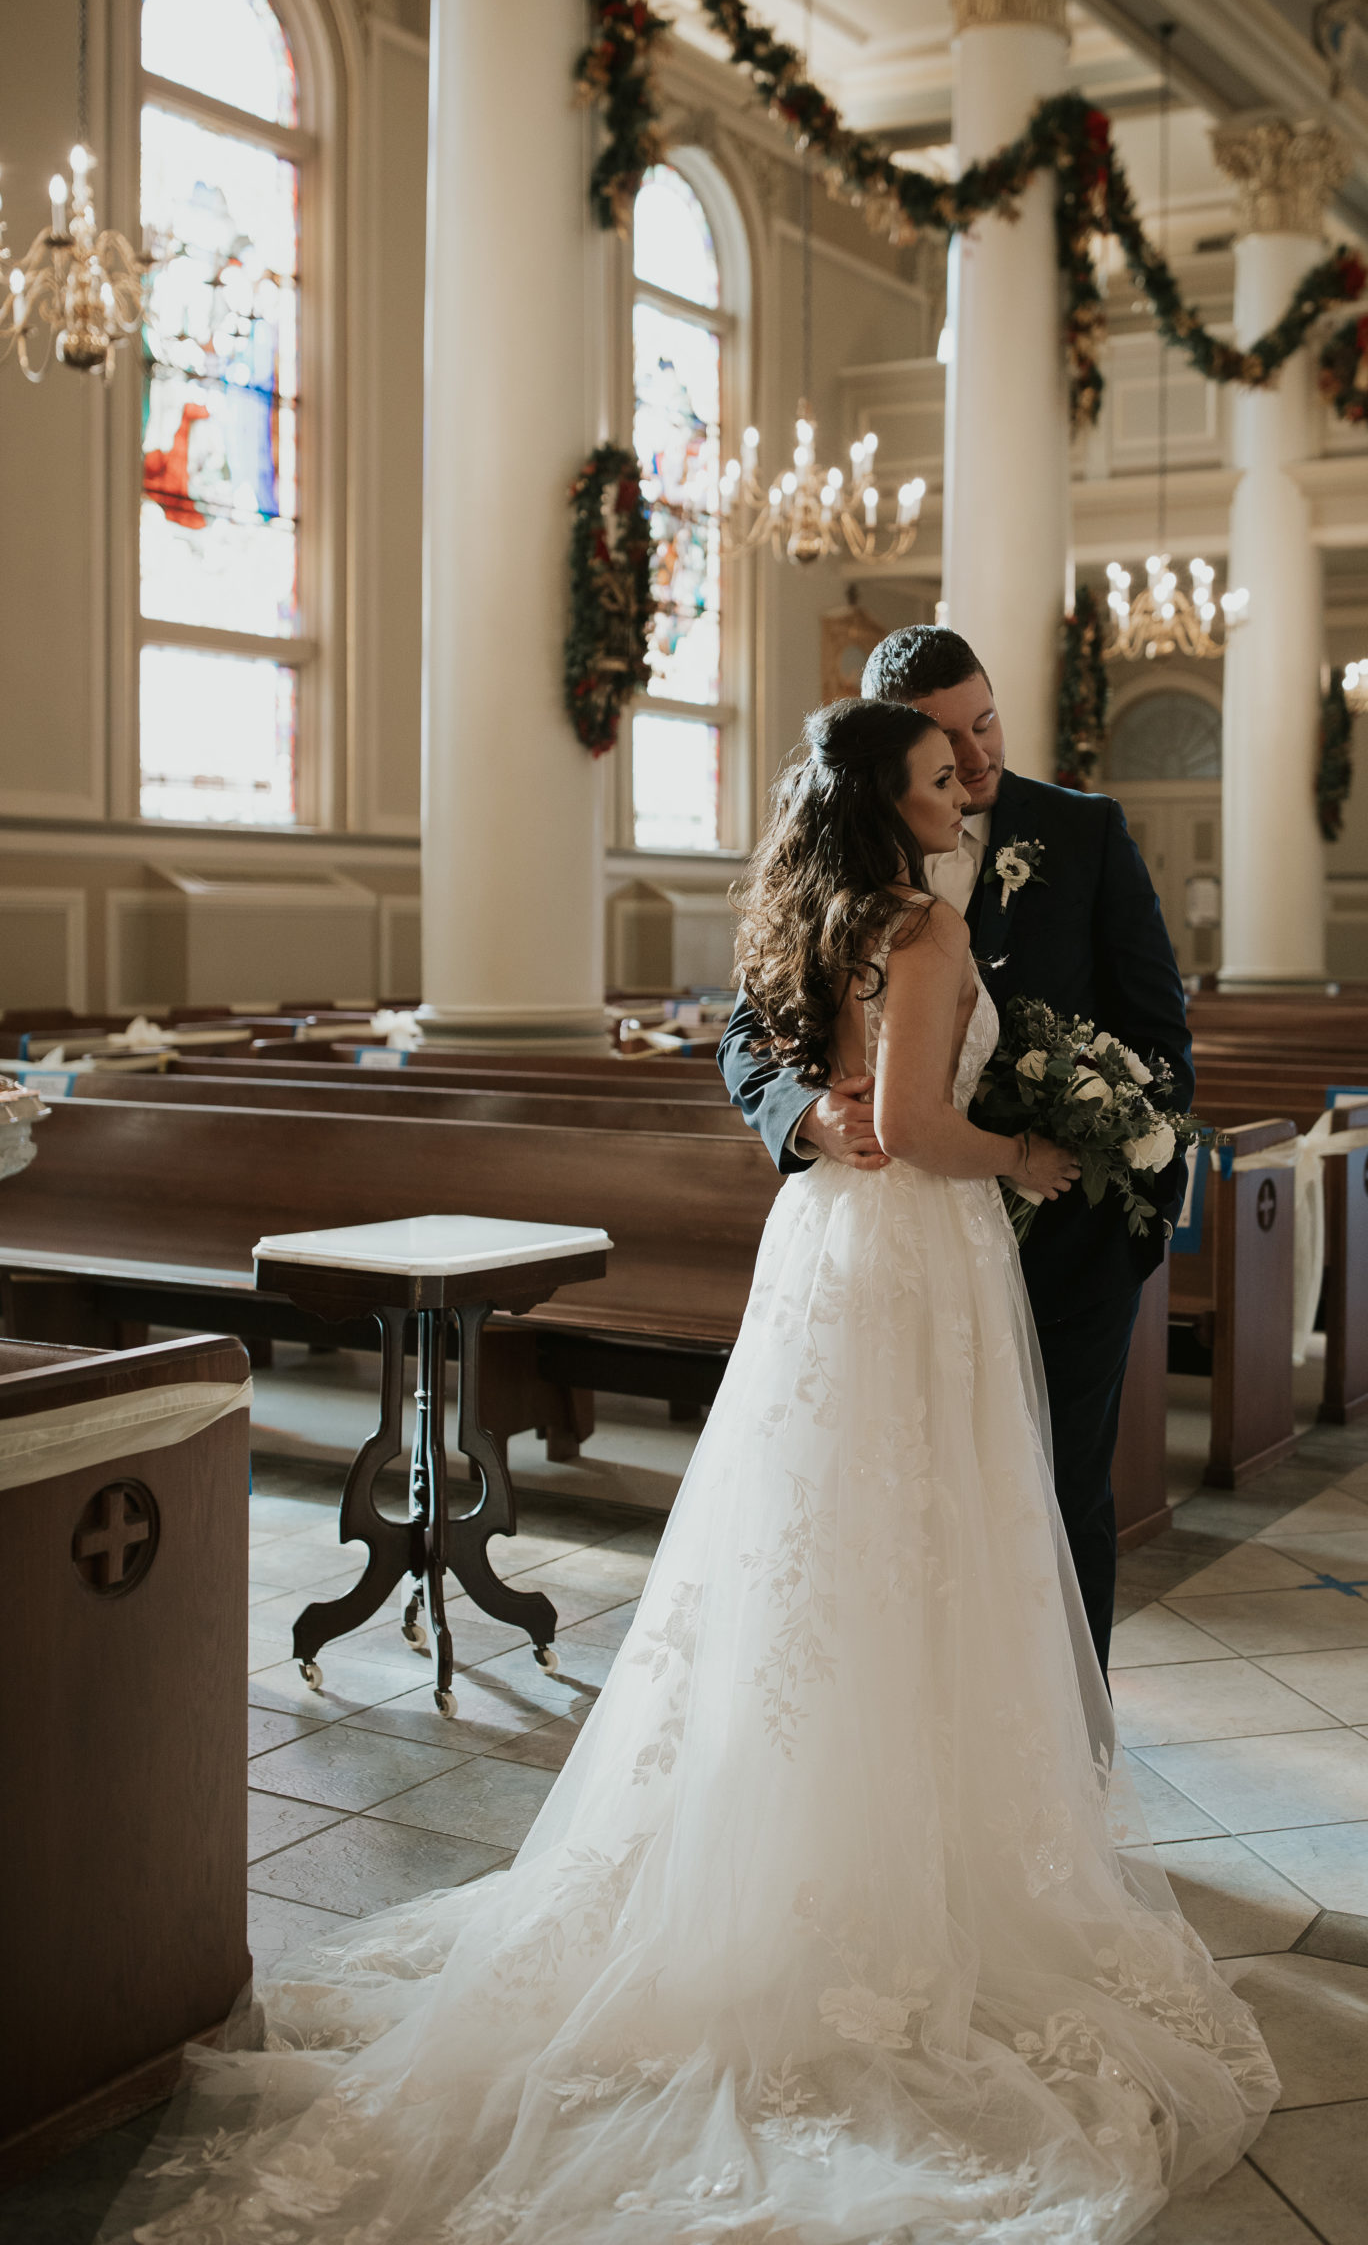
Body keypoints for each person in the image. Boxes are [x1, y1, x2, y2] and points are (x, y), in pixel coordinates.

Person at [114, 697, 1274, 2245]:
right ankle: (906, 1851)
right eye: (939, 772)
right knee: (914, 1530)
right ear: (889, 796)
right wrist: (1028, 1157)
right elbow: (918, 1125)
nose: (962, 786)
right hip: (911, 1246)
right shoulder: (920, 935)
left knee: (831, 1540)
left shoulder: (816, 917)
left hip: (823, 1259)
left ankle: (815, 1824)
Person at [720, 625, 1191, 1674]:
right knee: (890, 1502)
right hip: (903, 1238)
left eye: (987, 723)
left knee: (1055, 1498)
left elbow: (1160, 1037)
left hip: (1063, 1242)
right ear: (891, 758)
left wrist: (1123, 1179)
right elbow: (747, 1033)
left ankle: (1068, 1758)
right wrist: (805, 1111)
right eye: (946, 743)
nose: (976, 760)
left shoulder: (1087, 831)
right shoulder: (837, 878)